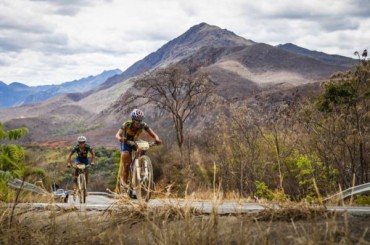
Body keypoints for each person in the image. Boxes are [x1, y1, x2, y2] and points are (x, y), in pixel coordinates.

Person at [115, 109, 161, 194]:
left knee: (143, 148)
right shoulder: (127, 124)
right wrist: (120, 139)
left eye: (140, 121)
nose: (138, 123)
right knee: (126, 164)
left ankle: (140, 164)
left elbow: (153, 134)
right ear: (132, 120)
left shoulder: (143, 125)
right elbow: (117, 135)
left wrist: (157, 139)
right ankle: (124, 186)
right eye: (136, 121)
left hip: (136, 141)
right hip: (126, 142)